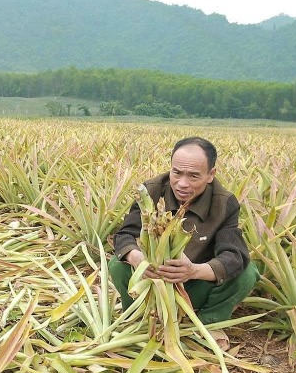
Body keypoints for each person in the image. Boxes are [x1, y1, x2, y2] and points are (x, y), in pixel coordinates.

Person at [109, 137, 259, 345]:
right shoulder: (150, 192)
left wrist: (194, 270)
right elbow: (125, 235)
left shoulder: (224, 203)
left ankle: (209, 322)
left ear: (210, 175)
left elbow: (234, 255)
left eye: (193, 176)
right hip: (150, 282)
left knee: (247, 273)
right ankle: (137, 317)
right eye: (176, 172)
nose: (182, 184)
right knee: (118, 264)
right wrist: (138, 259)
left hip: (193, 284)